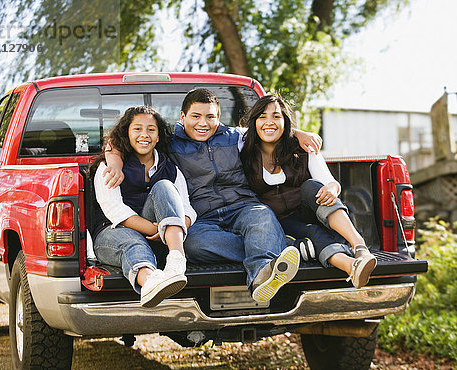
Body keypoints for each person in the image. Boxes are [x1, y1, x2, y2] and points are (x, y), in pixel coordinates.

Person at [104, 89, 322, 302]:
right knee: (193, 245)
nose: (203, 123)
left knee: (263, 216)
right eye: (196, 116)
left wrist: (299, 133)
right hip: (203, 215)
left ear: (218, 117)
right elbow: (122, 140)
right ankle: (276, 246)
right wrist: (114, 162)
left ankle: (260, 279)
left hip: (243, 206)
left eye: (210, 117)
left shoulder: (234, 137)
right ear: (183, 117)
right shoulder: (169, 142)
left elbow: (270, 129)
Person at [240, 94, 377, 289]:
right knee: (312, 234)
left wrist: (332, 188)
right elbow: (222, 130)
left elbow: (330, 182)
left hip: (313, 213)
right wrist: (297, 131)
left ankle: (360, 247)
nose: (269, 122)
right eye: (262, 116)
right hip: (279, 223)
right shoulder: (243, 148)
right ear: (253, 122)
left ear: (285, 121)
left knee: (311, 186)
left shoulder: (304, 147)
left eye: (276, 116)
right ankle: (352, 266)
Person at [89, 106, 196, 307]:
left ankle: (176, 261)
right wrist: (159, 229)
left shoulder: (170, 168)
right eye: (137, 129)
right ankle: (151, 283)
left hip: (161, 238)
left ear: (158, 137)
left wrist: (175, 228)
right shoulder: (110, 167)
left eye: (151, 130)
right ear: (127, 134)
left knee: (164, 186)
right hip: (112, 233)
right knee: (133, 243)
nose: (144, 135)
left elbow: (187, 209)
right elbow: (115, 211)